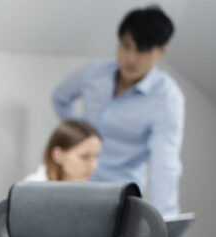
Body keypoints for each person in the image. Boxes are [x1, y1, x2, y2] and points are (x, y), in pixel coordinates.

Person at [52, 5, 184, 216]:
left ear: (161, 51)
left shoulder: (167, 98)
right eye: (126, 46)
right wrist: (80, 139)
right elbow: (60, 98)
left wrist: (165, 221)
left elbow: (165, 165)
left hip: (122, 198)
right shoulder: (93, 73)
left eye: (142, 50)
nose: (131, 58)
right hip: (78, 186)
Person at [24, 119, 103, 182]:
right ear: (58, 155)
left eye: (96, 156)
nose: (93, 166)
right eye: (85, 157)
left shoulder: (87, 192)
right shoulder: (31, 190)